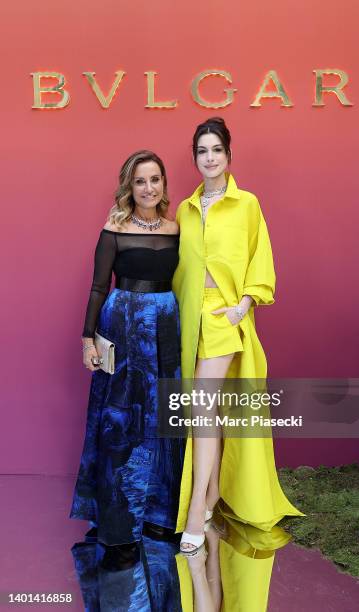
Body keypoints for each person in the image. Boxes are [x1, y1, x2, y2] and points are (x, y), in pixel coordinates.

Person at [172, 117, 304, 554]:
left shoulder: (247, 204)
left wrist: (243, 306)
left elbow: (259, 257)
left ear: (229, 155)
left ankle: (195, 511)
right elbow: (177, 271)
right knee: (204, 414)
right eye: (202, 151)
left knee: (202, 411)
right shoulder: (185, 211)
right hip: (189, 321)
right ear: (195, 158)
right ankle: (209, 497)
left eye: (216, 150)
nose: (209, 158)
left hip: (224, 319)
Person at [70, 150, 184, 546]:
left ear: (163, 185)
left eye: (155, 180)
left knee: (163, 416)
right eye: (140, 181)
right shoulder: (113, 229)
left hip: (166, 327)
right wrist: (88, 340)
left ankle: (160, 514)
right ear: (129, 187)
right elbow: (99, 287)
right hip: (121, 324)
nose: (148, 188)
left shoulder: (177, 229)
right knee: (117, 417)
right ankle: (113, 509)